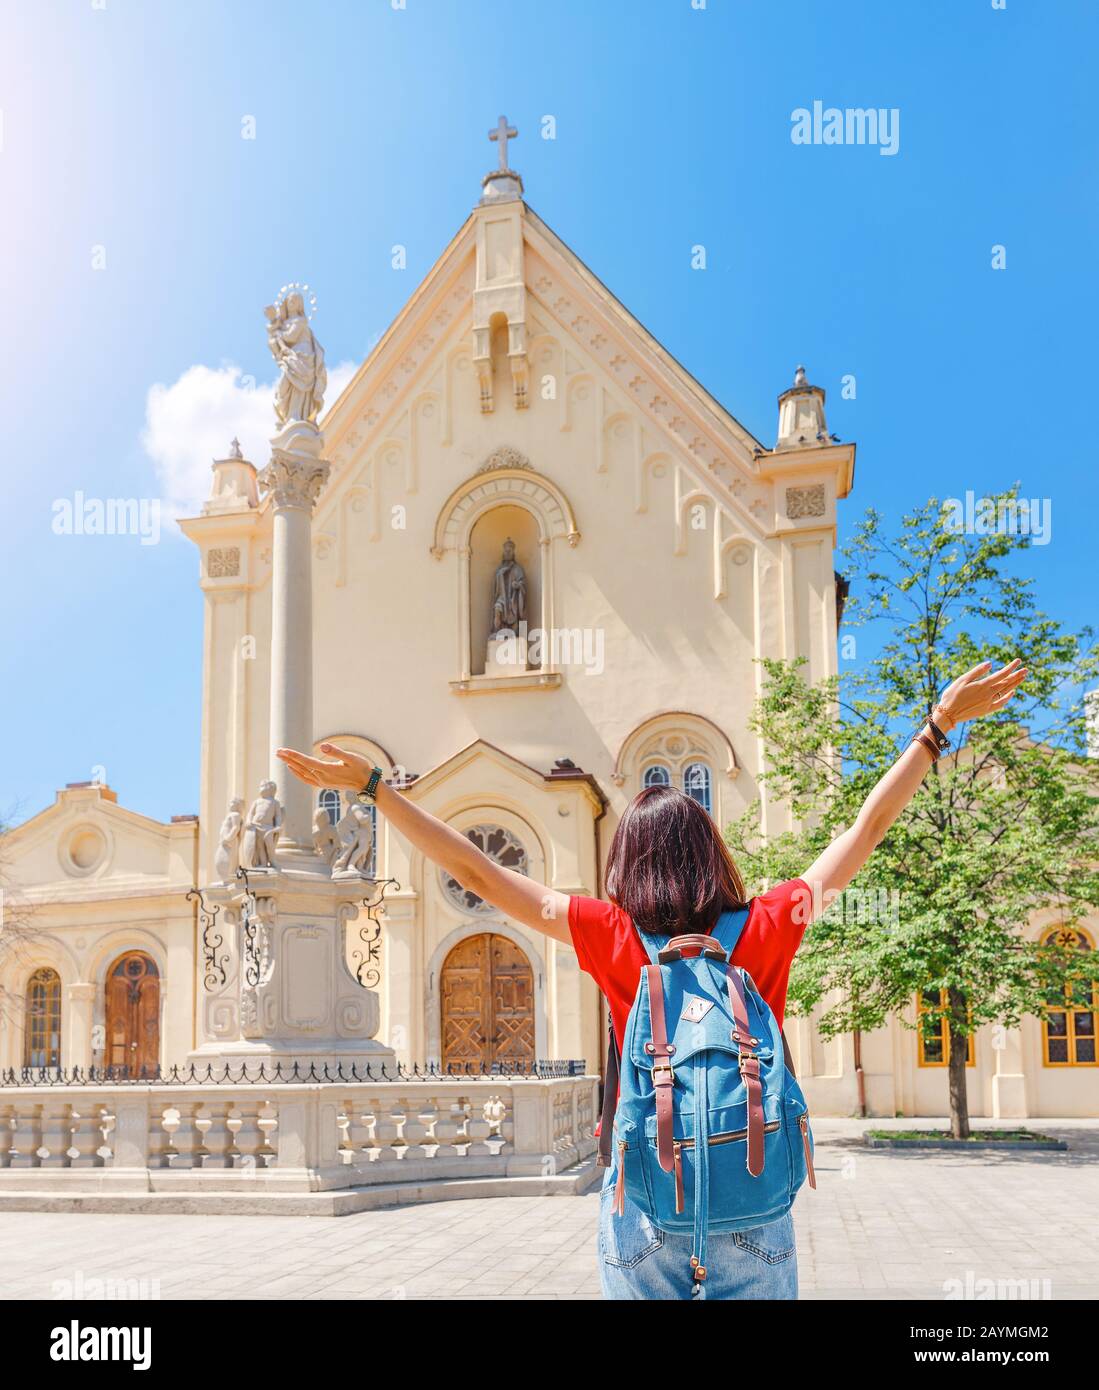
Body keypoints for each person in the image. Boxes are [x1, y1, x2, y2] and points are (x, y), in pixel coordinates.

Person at [275, 657, 1025, 1300]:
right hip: (751, 1198)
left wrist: (377, 788)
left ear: (626, 860)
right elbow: (864, 828)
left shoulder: (607, 932)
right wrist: (933, 728)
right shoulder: (770, 922)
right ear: (711, 850)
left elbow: (474, 868)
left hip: (641, 1200)